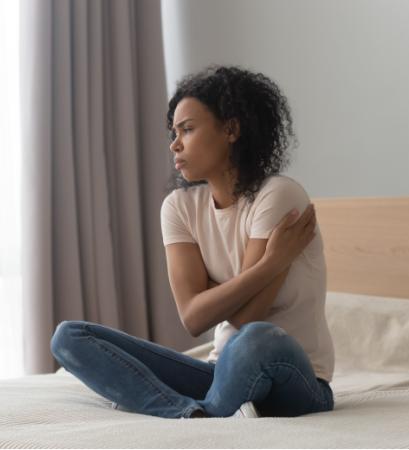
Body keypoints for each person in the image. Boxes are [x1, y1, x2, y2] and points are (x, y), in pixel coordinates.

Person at [51, 65, 335, 420]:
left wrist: (208, 294)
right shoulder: (179, 207)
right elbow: (192, 317)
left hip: (295, 380)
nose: (174, 144)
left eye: (187, 129)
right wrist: (271, 264)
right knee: (70, 336)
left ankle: (202, 414)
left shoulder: (278, 195)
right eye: (174, 132)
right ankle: (186, 415)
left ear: (231, 129)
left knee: (255, 339)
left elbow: (247, 319)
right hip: (221, 374)